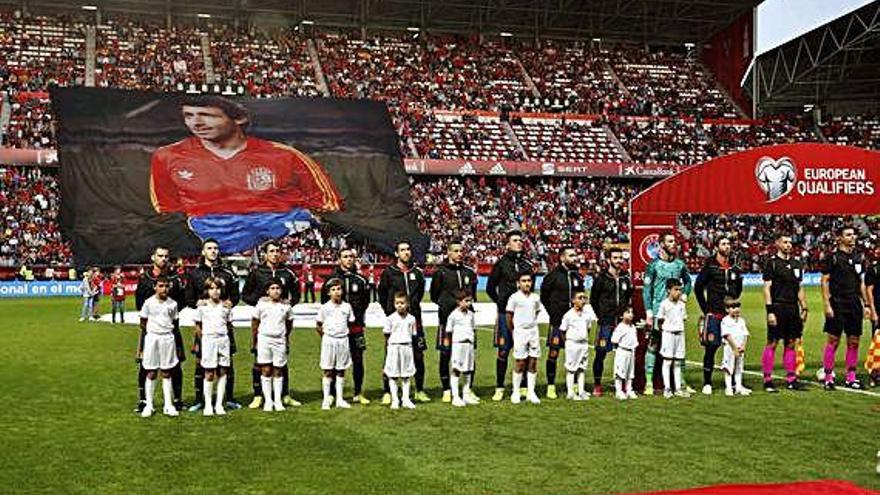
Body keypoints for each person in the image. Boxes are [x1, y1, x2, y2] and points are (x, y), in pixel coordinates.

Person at [149, 95, 343, 253]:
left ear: (239, 119)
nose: (196, 123)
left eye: (207, 115)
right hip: (209, 235)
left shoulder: (286, 156)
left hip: (281, 234)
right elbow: (167, 210)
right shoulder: (167, 156)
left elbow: (326, 206)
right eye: (189, 115)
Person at [242, 241, 301, 409]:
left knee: (281, 364)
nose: (275, 254)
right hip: (263, 322)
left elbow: (296, 294)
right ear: (265, 254)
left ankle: (284, 395)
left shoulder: (288, 272)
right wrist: (261, 301)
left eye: (277, 251)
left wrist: (286, 303)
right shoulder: (257, 272)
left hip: (279, 323)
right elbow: (245, 295)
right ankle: (259, 395)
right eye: (271, 251)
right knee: (260, 363)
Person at [185, 238, 242, 412]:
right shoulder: (195, 274)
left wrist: (230, 302)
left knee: (227, 363)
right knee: (200, 362)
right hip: (206, 325)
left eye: (216, 248)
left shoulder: (227, 272)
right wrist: (198, 302)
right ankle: (199, 400)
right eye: (209, 248)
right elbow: (188, 297)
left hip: (222, 324)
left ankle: (228, 399)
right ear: (203, 251)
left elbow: (235, 296)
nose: (213, 251)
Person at [135, 246, 186, 413]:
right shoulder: (144, 280)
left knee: (173, 366)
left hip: (170, 331)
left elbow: (180, 302)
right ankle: (144, 401)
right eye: (160, 255)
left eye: (166, 256)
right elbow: (140, 307)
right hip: (151, 332)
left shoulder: (175, 279)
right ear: (153, 257)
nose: (163, 258)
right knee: (147, 367)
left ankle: (175, 400)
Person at [820, 226, 872, 390]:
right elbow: (824, 281)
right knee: (833, 341)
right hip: (837, 303)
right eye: (848, 235)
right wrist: (827, 304)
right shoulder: (833, 258)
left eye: (853, 235)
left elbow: (861, 283)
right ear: (840, 238)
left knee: (854, 341)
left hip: (854, 303)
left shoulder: (859, 257)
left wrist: (866, 304)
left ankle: (851, 377)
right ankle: (828, 377)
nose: (852, 237)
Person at [379, 240, 429, 404]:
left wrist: (412, 308)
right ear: (396, 253)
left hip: (414, 319)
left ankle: (419, 390)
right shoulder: (389, 272)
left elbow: (420, 292)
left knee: (418, 354)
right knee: (390, 354)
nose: (406, 252)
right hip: (395, 321)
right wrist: (390, 312)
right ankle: (388, 391)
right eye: (402, 250)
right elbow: (382, 294)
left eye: (408, 249)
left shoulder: (418, 272)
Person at [642, 232, 692, 395]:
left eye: (675, 242)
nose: (674, 244)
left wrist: (684, 295)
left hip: (675, 313)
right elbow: (647, 290)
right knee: (654, 344)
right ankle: (649, 383)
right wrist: (649, 312)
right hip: (658, 311)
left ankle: (681, 383)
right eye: (670, 242)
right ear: (661, 244)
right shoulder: (653, 265)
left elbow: (688, 281)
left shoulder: (679, 265)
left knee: (679, 348)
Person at [487, 230, 534, 402]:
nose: (519, 243)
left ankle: (522, 386)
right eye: (515, 240)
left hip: (524, 317)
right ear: (507, 244)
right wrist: (501, 303)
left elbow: (531, 288)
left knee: (524, 352)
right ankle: (499, 387)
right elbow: (490, 288)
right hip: (505, 315)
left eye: (520, 240)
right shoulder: (500, 264)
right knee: (503, 350)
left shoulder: (527, 265)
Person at [429, 239, 478, 403]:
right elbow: (434, 295)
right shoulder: (440, 272)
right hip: (447, 321)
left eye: (460, 251)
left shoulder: (469, 273)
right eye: (455, 251)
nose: (459, 254)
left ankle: (467, 389)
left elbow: (473, 295)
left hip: (466, 322)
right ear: (449, 253)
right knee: (445, 354)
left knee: (469, 355)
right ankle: (446, 389)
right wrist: (446, 307)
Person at [693, 236, 743, 395]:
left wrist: (733, 302)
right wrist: (705, 308)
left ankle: (735, 382)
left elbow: (739, 288)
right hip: (714, 313)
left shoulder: (735, 266)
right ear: (716, 247)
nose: (727, 246)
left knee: (734, 348)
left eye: (729, 243)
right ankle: (707, 382)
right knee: (711, 348)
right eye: (723, 243)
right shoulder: (710, 266)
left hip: (731, 316)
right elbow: (698, 287)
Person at [321, 247, 371, 404]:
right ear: (339, 259)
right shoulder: (331, 280)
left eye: (351, 256)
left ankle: (358, 392)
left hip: (356, 327)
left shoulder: (361, 280)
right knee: (335, 362)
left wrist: (357, 317)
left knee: (358, 359)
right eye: (345, 256)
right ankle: (334, 394)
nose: (349, 259)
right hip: (337, 329)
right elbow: (325, 303)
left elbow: (365, 302)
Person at [761, 234, 808, 392]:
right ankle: (767, 379)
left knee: (791, 343)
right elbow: (767, 288)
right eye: (785, 242)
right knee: (773, 343)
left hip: (793, 309)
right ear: (777, 244)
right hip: (778, 307)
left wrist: (804, 307)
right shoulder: (772, 263)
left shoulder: (797, 264)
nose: (789, 244)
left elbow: (799, 287)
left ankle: (791, 378)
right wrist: (770, 311)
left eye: (790, 242)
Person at [539, 246, 585, 399]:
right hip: (558, 322)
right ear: (562, 258)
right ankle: (551, 386)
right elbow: (544, 297)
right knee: (553, 353)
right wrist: (554, 313)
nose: (575, 257)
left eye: (575, 255)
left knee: (577, 354)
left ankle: (577, 385)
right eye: (571, 255)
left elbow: (582, 296)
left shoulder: (577, 277)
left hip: (576, 323)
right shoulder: (552, 276)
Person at [589, 247, 632, 397]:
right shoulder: (601, 279)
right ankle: (597, 384)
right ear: (608, 260)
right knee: (601, 353)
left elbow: (628, 298)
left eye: (621, 258)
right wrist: (601, 315)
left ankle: (624, 384)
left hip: (622, 323)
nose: (619, 261)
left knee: (626, 353)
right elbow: (593, 300)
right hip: (606, 322)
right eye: (615, 258)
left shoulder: (626, 278)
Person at [137, 276, 181, 418]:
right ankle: (149, 405)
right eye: (161, 286)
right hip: (152, 338)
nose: (164, 289)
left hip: (167, 338)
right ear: (155, 287)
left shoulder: (173, 304)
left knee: (167, 372)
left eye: (166, 286)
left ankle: (168, 405)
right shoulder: (148, 303)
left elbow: (175, 322)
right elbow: (143, 322)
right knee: (151, 372)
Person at [193, 277, 234, 416]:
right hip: (208, 340)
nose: (215, 291)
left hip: (223, 340)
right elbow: (198, 326)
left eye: (217, 288)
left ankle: (219, 404)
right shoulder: (202, 307)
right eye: (211, 288)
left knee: (223, 372)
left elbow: (229, 325)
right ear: (207, 290)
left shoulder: (226, 307)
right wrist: (201, 341)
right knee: (209, 373)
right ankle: (208, 405)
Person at [251, 278, 293, 412]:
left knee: (278, 369)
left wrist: (285, 337)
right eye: (272, 288)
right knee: (266, 369)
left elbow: (289, 323)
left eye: (278, 288)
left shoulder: (286, 306)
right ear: (267, 291)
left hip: (279, 340)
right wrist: (255, 340)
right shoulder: (261, 305)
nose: (275, 291)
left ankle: (278, 400)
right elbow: (255, 322)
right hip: (264, 339)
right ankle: (268, 401)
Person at [506, 271, 545, 405]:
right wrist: (514, 330)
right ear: (518, 283)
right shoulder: (514, 298)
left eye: (529, 280)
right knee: (520, 362)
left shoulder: (535, 297)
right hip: (520, 332)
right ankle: (516, 391)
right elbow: (509, 316)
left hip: (533, 331)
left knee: (533, 361)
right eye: (524, 281)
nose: (527, 283)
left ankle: (531, 392)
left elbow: (538, 311)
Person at [316, 278, 353, 410]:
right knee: (327, 370)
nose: (336, 292)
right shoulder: (325, 308)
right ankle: (326, 399)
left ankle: (340, 399)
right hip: (329, 340)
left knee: (341, 370)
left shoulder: (347, 307)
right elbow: (319, 325)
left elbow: (350, 322)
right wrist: (326, 336)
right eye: (333, 290)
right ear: (328, 293)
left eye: (339, 289)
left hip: (343, 340)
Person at [383, 292, 418, 410]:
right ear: (394, 304)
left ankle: (406, 399)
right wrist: (389, 348)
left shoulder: (412, 319)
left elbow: (413, 334)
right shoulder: (390, 318)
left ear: (407, 304)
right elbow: (386, 334)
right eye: (397, 303)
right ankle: (395, 400)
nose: (400, 306)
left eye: (402, 303)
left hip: (406, 347)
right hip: (394, 347)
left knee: (406, 375)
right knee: (393, 375)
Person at [657, 278, 689, 399]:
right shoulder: (664, 304)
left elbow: (684, 318)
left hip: (680, 333)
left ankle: (678, 388)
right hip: (668, 334)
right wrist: (665, 330)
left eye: (680, 290)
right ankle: (667, 388)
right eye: (676, 290)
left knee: (677, 362)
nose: (678, 292)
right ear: (668, 290)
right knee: (668, 361)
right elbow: (660, 320)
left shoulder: (681, 304)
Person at [447, 289, 479, 407]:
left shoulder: (471, 315)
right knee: (456, 369)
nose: (469, 303)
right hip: (458, 345)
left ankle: (466, 394)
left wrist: (473, 342)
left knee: (468, 369)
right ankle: (455, 396)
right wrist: (450, 345)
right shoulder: (453, 315)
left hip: (468, 344)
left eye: (470, 301)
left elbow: (473, 328)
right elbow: (449, 331)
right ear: (459, 302)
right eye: (466, 301)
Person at [720, 297, 751, 397]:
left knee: (739, 367)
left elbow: (745, 334)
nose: (736, 309)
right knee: (729, 367)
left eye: (737, 306)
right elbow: (727, 335)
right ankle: (728, 387)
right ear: (727, 309)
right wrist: (734, 348)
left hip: (740, 348)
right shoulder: (725, 320)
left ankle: (738, 387)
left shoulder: (741, 320)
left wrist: (743, 346)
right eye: (733, 307)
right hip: (730, 348)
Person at [611, 307, 638, 401]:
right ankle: (618, 391)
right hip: (622, 351)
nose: (630, 314)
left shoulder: (633, 327)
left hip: (631, 352)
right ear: (621, 316)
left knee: (630, 372)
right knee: (620, 372)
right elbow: (614, 339)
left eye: (632, 312)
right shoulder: (620, 327)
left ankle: (629, 389)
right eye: (628, 312)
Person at [864, 252, 880, 387]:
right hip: (879, 310)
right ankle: (874, 374)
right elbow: (869, 291)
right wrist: (873, 311)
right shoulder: (874, 268)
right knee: (877, 343)